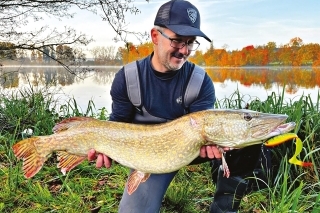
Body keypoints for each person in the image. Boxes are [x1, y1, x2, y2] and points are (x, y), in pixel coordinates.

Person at [88, 0, 267, 212]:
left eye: (190, 42)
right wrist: (103, 148)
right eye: (177, 41)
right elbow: (117, 125)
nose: (184, 50)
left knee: (244, 140)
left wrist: (213, 144)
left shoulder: (200, 81)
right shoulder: (128, 78)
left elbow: (206, 129)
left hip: (190, 150)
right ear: (155, 36)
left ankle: (224, 207)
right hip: (148, 156)